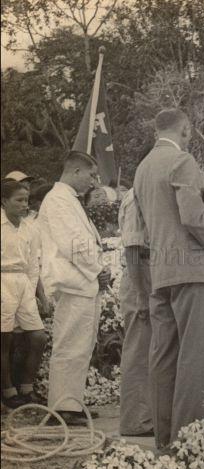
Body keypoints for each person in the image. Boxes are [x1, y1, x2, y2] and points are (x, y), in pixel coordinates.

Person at [134, 109, 204, 448]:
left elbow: (146, 228)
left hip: (161, 272)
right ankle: (191, 444)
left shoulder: (142, 169)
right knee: (194, 358)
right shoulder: (183, 161)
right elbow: (193, 217)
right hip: (192, 271)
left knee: (162, 357)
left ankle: (165, 442)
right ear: (186, 130)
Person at [38, 151, 110, 426]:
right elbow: (74, 245)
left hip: (84, 284)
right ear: (76, 172)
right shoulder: (57, 200)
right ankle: (62, 408)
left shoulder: (69, 201)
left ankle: (72, 402)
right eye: (91, 175)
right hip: (73, 283)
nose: (94, 181)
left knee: (82, 345)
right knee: (70, 344)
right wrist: (97, 270)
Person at [1, 181, 47, 409]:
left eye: (26, 200)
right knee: (5, 339)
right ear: (4, 201)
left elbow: (33, 265)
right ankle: (8, 391)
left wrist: (38, 295)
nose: (24, 205)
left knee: (38, 336)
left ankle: (27, 387)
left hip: (23, 283)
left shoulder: (31, 228)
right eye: (18, 200)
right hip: (2, 282)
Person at [117, 186, 153, 436]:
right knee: (138, 347)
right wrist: (141, 293)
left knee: (147, 347)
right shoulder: (135, 198)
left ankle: (145, 416)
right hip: (138, 274)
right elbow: (132, 248)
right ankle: (134, 421)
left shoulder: (144, 194)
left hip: (146, 271)